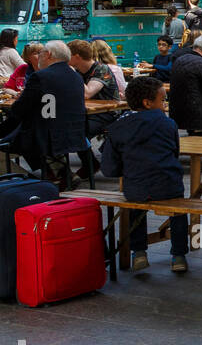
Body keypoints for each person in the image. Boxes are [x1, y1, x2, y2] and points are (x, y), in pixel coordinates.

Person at [101, 76, 191, 274]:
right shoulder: (168, 124)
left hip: (136, 188)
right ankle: (178, 255)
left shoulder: (118, 127)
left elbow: (109, 169)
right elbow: (174, 153)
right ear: (148, 103)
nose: (165, 104)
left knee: (136, 209)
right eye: (163, 100)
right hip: (168, 185)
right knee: (178, 210)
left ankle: (139, 251)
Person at [0, 41, 87, 179]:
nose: (39, 56)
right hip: (75, 134)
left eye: (40, 53)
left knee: (10, 143)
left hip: (47, 137)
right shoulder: (76, 77)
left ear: (49, 55)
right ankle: (59, 174)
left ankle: (29, 181)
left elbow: (19, 110)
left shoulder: (41, 77)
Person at [67, 38, 121, 143]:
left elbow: (87, 93)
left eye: (67, 56)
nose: (65, 59)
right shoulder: (77, 70)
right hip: (86, 113)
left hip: (107, 113)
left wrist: (72, 73)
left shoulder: (101, 69)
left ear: (77, 57)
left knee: (78, 132)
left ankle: (89, 160)